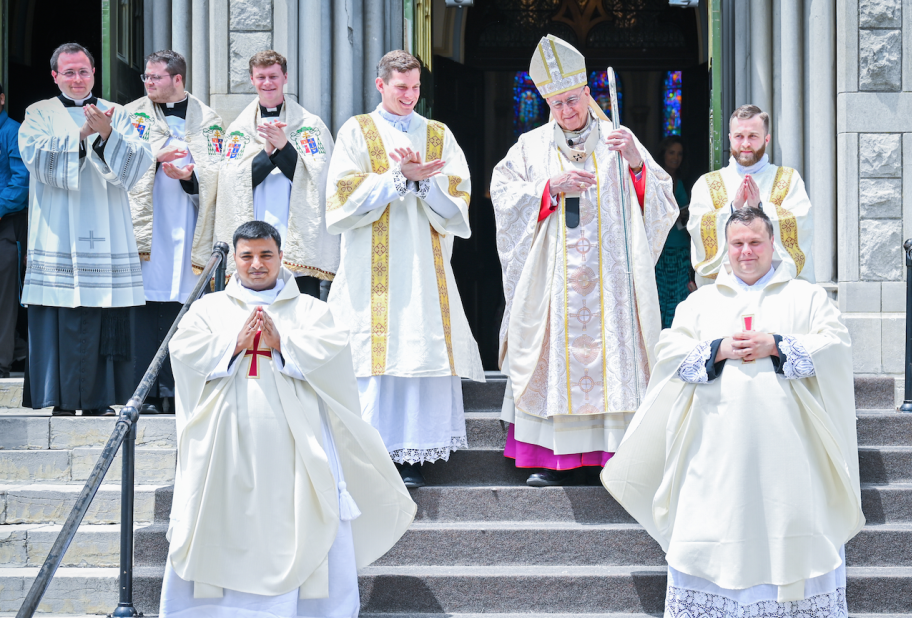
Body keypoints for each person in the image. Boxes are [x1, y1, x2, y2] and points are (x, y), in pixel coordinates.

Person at [602, 206, 863, 618]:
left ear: (772, 245)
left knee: (789, 534)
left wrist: (778, 344)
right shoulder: (700, 304)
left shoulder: (805, 298)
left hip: (791, 451)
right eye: (737, 244)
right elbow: (669, 356)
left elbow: (835, 346)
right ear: (726, 247)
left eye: (755, 243)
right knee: (718, 537)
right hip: (714, 450)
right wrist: (717, 348)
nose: (746, 252)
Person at [156, 220, 415, 618]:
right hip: (228, 448)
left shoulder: (312, 311)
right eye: (247, 256)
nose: (257, 265)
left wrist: (284, 345)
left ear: (281, 256)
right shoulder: (209, 310)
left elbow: (334, 359)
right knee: (232, 534)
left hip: (300, 447)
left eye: (266, 255)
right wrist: (231, 345)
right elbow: (185, 354)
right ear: (233, 259)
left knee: (304, 530)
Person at [490, 35, 677, 487]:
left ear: (588, 94)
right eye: (555, 104)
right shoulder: (530, 148)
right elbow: (502, 193)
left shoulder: (617, 142)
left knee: (613, 358)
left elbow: (663, 199)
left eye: (571, 100)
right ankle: (553, 459)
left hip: (610, 285)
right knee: (554, 359)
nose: (565, 111)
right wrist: (549, 188)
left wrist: (635, 163)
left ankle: (615, 457)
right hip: (555, 283)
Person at [325, 50, 484, 489]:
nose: (410, 96)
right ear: (381, 85)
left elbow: (458, 202)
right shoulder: (356, 131)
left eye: (415, 88)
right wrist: (398, 178)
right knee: (370, 351)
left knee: (417, 347)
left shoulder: (438, 134)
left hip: (422, 266)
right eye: (401, 88)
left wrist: (423, 182)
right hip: (368, 269)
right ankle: (369, 453)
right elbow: (342, 198)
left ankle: (414, 454)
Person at [19, 43, 152, 415]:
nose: (77, 79)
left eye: (84, 72)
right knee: (62, 312)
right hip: (58, 229)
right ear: (55, 76)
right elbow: (35, 158)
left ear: (94, 72)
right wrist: (80, 137)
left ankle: (98, 400)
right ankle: (59, 400)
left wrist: (109, 134)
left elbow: (138, 166)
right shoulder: (39, 113)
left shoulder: (119, 113)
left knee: (102, 313)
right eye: (69, 72)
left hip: (106, 229)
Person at [125, 50, 223, 415]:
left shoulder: (208, 120)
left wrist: (191, 178)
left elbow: (218, 170)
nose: (148, 83)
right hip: (147, 226)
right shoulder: (131, 115)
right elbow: (116, 162)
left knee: (184, 305)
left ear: (177, 80)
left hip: (186, 219)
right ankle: (145, 394)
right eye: (145, 78)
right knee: (147, 306)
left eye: (155, 78)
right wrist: (155, 159)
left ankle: (179, 389)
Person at [214, 50, 337, 297]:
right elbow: (233, 183)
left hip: (296, 233)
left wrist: (284, 147)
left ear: (285, 78)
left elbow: (320, 179)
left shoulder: (310, 126)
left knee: (300, 309)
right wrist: (267, 155)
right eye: (261, 77)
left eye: (273, 76)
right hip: (255, 222)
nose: (267, 83)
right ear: (252, 79)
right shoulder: (239, 129)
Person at [687, 104, 813, 284]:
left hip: (776, 291)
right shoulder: (707, 184)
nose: (745, 143)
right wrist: (732, 208)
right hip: (725, 292)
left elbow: (802, 222)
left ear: (767, 139)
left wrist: (760, 209)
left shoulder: (788, 179)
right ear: (730, 138)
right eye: (739, 136)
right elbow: (697, 227)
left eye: (753, 136)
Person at [0, 82, 30, 379]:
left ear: (1, 99)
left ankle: (2, 362)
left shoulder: (13, 131)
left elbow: (21, 183)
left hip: (6, 223)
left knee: (5, 297)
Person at [654, 135, 696, 328]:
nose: (675, 158)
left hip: (681, 248)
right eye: (672, 152)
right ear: (663, 154)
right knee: (661, 295)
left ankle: (677, 335)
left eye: (679, 154)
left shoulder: (681, 180)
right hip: (661, 249)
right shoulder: (655, 179)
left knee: (680, 296)